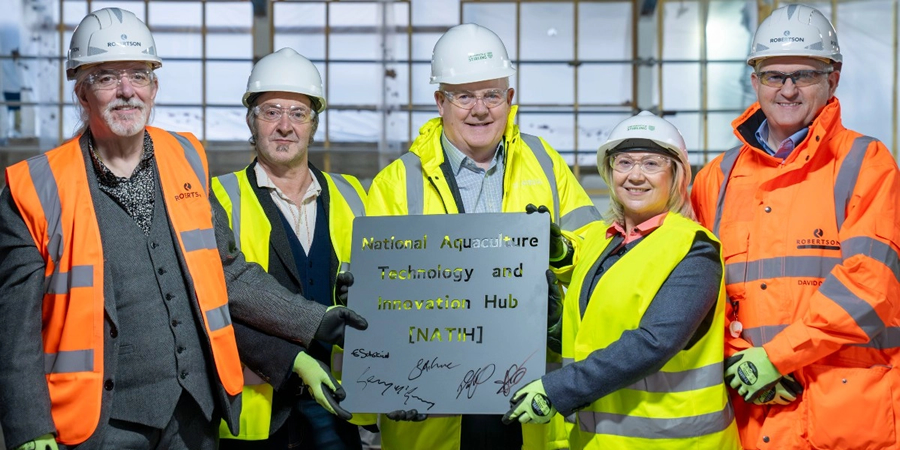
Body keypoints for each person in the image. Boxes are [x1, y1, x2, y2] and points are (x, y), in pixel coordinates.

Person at [0, 8, 366, 450]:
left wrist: (313, 320)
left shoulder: (185, 159)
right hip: (99, 422)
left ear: (154, 87)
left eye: (139, 75)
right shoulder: (35, 187)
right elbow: (15, 329)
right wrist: (30, 428)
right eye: (107, 77)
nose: (126, 91)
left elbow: (227, 273)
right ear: (82, 92)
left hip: (194, 418)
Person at [366, 22, 601, 450]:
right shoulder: (398, 183)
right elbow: (377, 297)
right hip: (433, 406)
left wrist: (561, 251)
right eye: (464, 96)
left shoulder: (545, 163)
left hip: (528, 396)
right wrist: (384, 384)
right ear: (440, 102)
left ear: (509, 99)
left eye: (492, 95)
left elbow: (594, 255)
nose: (480, 110)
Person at [691, 4, 900, 449]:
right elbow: (697, 291)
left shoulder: (865, 163)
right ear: (755, 81)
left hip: (846, 420)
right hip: (750, 417)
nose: (787, 90)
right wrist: (737, 357)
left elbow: (871, 285)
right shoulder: (716, 179)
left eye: (803, 75)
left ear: (833, 80)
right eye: (774, 76)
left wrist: (777, 357)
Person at [502, 111, 740, 449]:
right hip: (598, 438)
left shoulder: (695, 248)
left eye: (651, 164)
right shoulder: (600, 241)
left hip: (673, 442)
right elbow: (598, 318)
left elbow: (654, 342)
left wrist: (558, 389)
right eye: (624, 163)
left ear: (675, 175)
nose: (635, 176)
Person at [212, 47, 369, 450]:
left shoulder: (353, 195)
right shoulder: (220, 197)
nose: (285, 126)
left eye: (298, 113)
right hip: (254, 413)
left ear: (314, 124)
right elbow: (213, 304)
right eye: (271, 112)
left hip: (337, 406)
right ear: (251, 120)